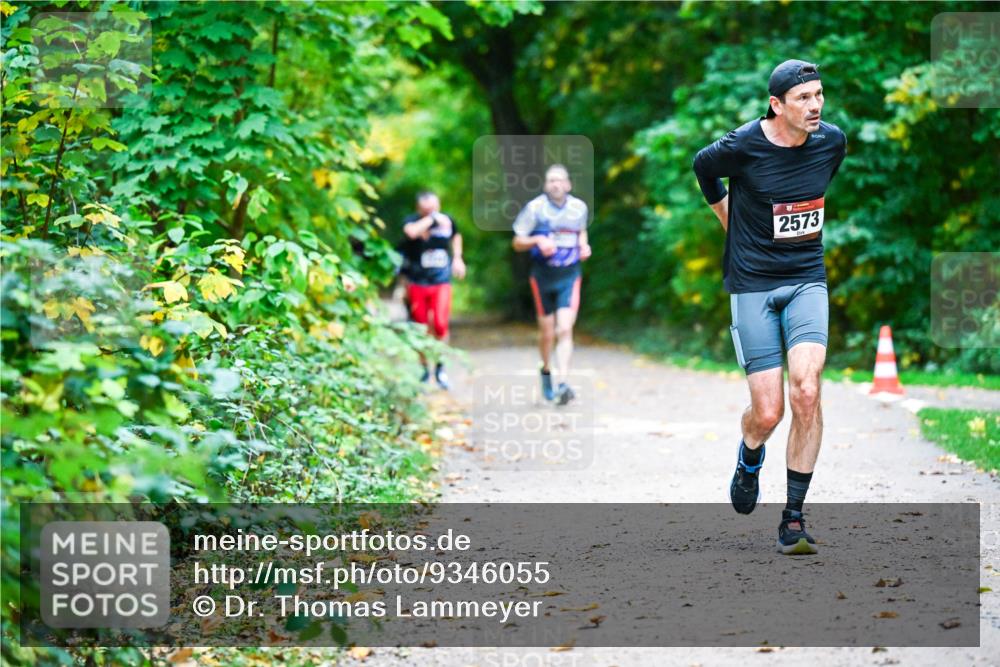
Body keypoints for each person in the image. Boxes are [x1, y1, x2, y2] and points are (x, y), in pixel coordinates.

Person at [692, 60, 847, 555]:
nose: (815, 105)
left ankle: (793, 518)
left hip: (806, 279)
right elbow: (702, 167)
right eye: (803, 98)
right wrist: (728, 219)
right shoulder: (743, 145)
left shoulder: (832, 142)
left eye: (819, 94)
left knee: (807, 391)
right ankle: (750, 454)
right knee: (768, 412)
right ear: (777, 105)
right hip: (753, 284)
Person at [512, 164, 591, 405]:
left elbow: (581, 232)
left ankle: (563, 383)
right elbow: (517, 242)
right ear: (546, 185)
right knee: (547, 333)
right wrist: (537, 239)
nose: (555, 184)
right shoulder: (535, 209)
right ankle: (546, 371)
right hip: (543, 276)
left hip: (569, 274)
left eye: (559, 180)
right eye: (551, 180)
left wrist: (584, 246)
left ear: (568, 184)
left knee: (564, 329)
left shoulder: (579, 208)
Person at [400, 191, 466, 389]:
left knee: (440, 324)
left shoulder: (448, 221)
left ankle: (440, 368)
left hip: (441, 280)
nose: (432, 211)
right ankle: (423, 369)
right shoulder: (412, 220)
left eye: (435, 208)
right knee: (419, 327)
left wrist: (457, 258)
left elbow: (456, 235)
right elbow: (411, 232)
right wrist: (431, 219)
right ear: (419, 208)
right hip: (417, 280)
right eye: (427, 209)